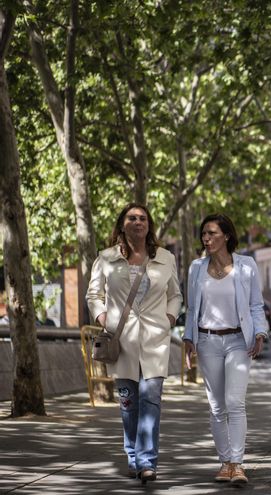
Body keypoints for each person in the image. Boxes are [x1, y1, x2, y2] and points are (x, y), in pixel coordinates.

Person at [86, 203, 182, 484]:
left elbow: (175, 294)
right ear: (122, 224)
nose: (138, 221)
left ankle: (147, 461)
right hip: (122, 340)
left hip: (155, 339)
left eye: (142, 218)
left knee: (150, 399)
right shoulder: (106, 258)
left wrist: (169, 317)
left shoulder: (166, 258)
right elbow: (93, 294)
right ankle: (132, 455)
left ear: (149, 225)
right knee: (129, 404)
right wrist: (104, 318)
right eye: (132, 218)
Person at [182, 214, 270, 484]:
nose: (206, 238)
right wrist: (188, 340)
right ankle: (224, 463)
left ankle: (238, 464)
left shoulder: (246, 265)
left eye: (211, 233)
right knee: (217, 406)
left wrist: (259, 331)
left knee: (235, 402)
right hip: (208, 341)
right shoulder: (196, 268)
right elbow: (191, 309)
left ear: (227, 236)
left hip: (237, 341)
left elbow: (256, 304)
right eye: (203, 234)